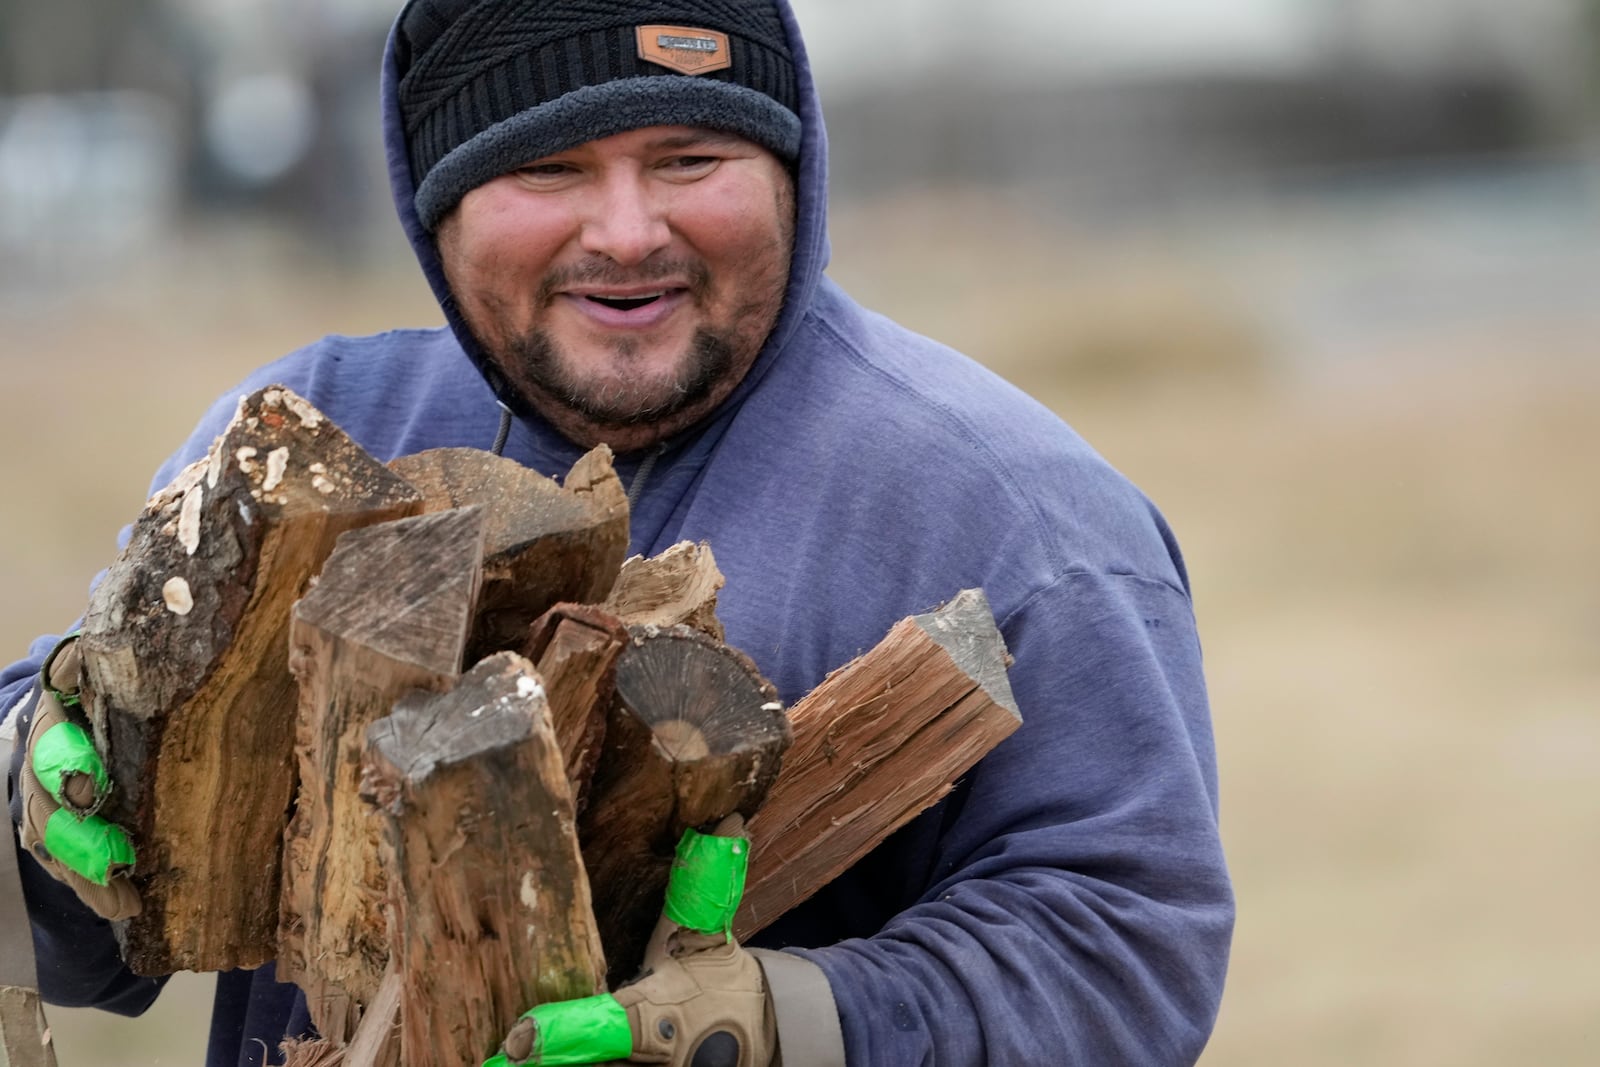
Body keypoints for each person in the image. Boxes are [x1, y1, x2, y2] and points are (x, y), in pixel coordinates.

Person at [3, 1, 1235, 1064]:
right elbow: (88, 910)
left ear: (789, 169)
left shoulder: (1015, 510)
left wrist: (782, 1023)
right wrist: (34, 782)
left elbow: (1129, 939)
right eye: (550, 170)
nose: (628, 229)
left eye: (689, 156)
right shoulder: (299, 444)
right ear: (438, 207)